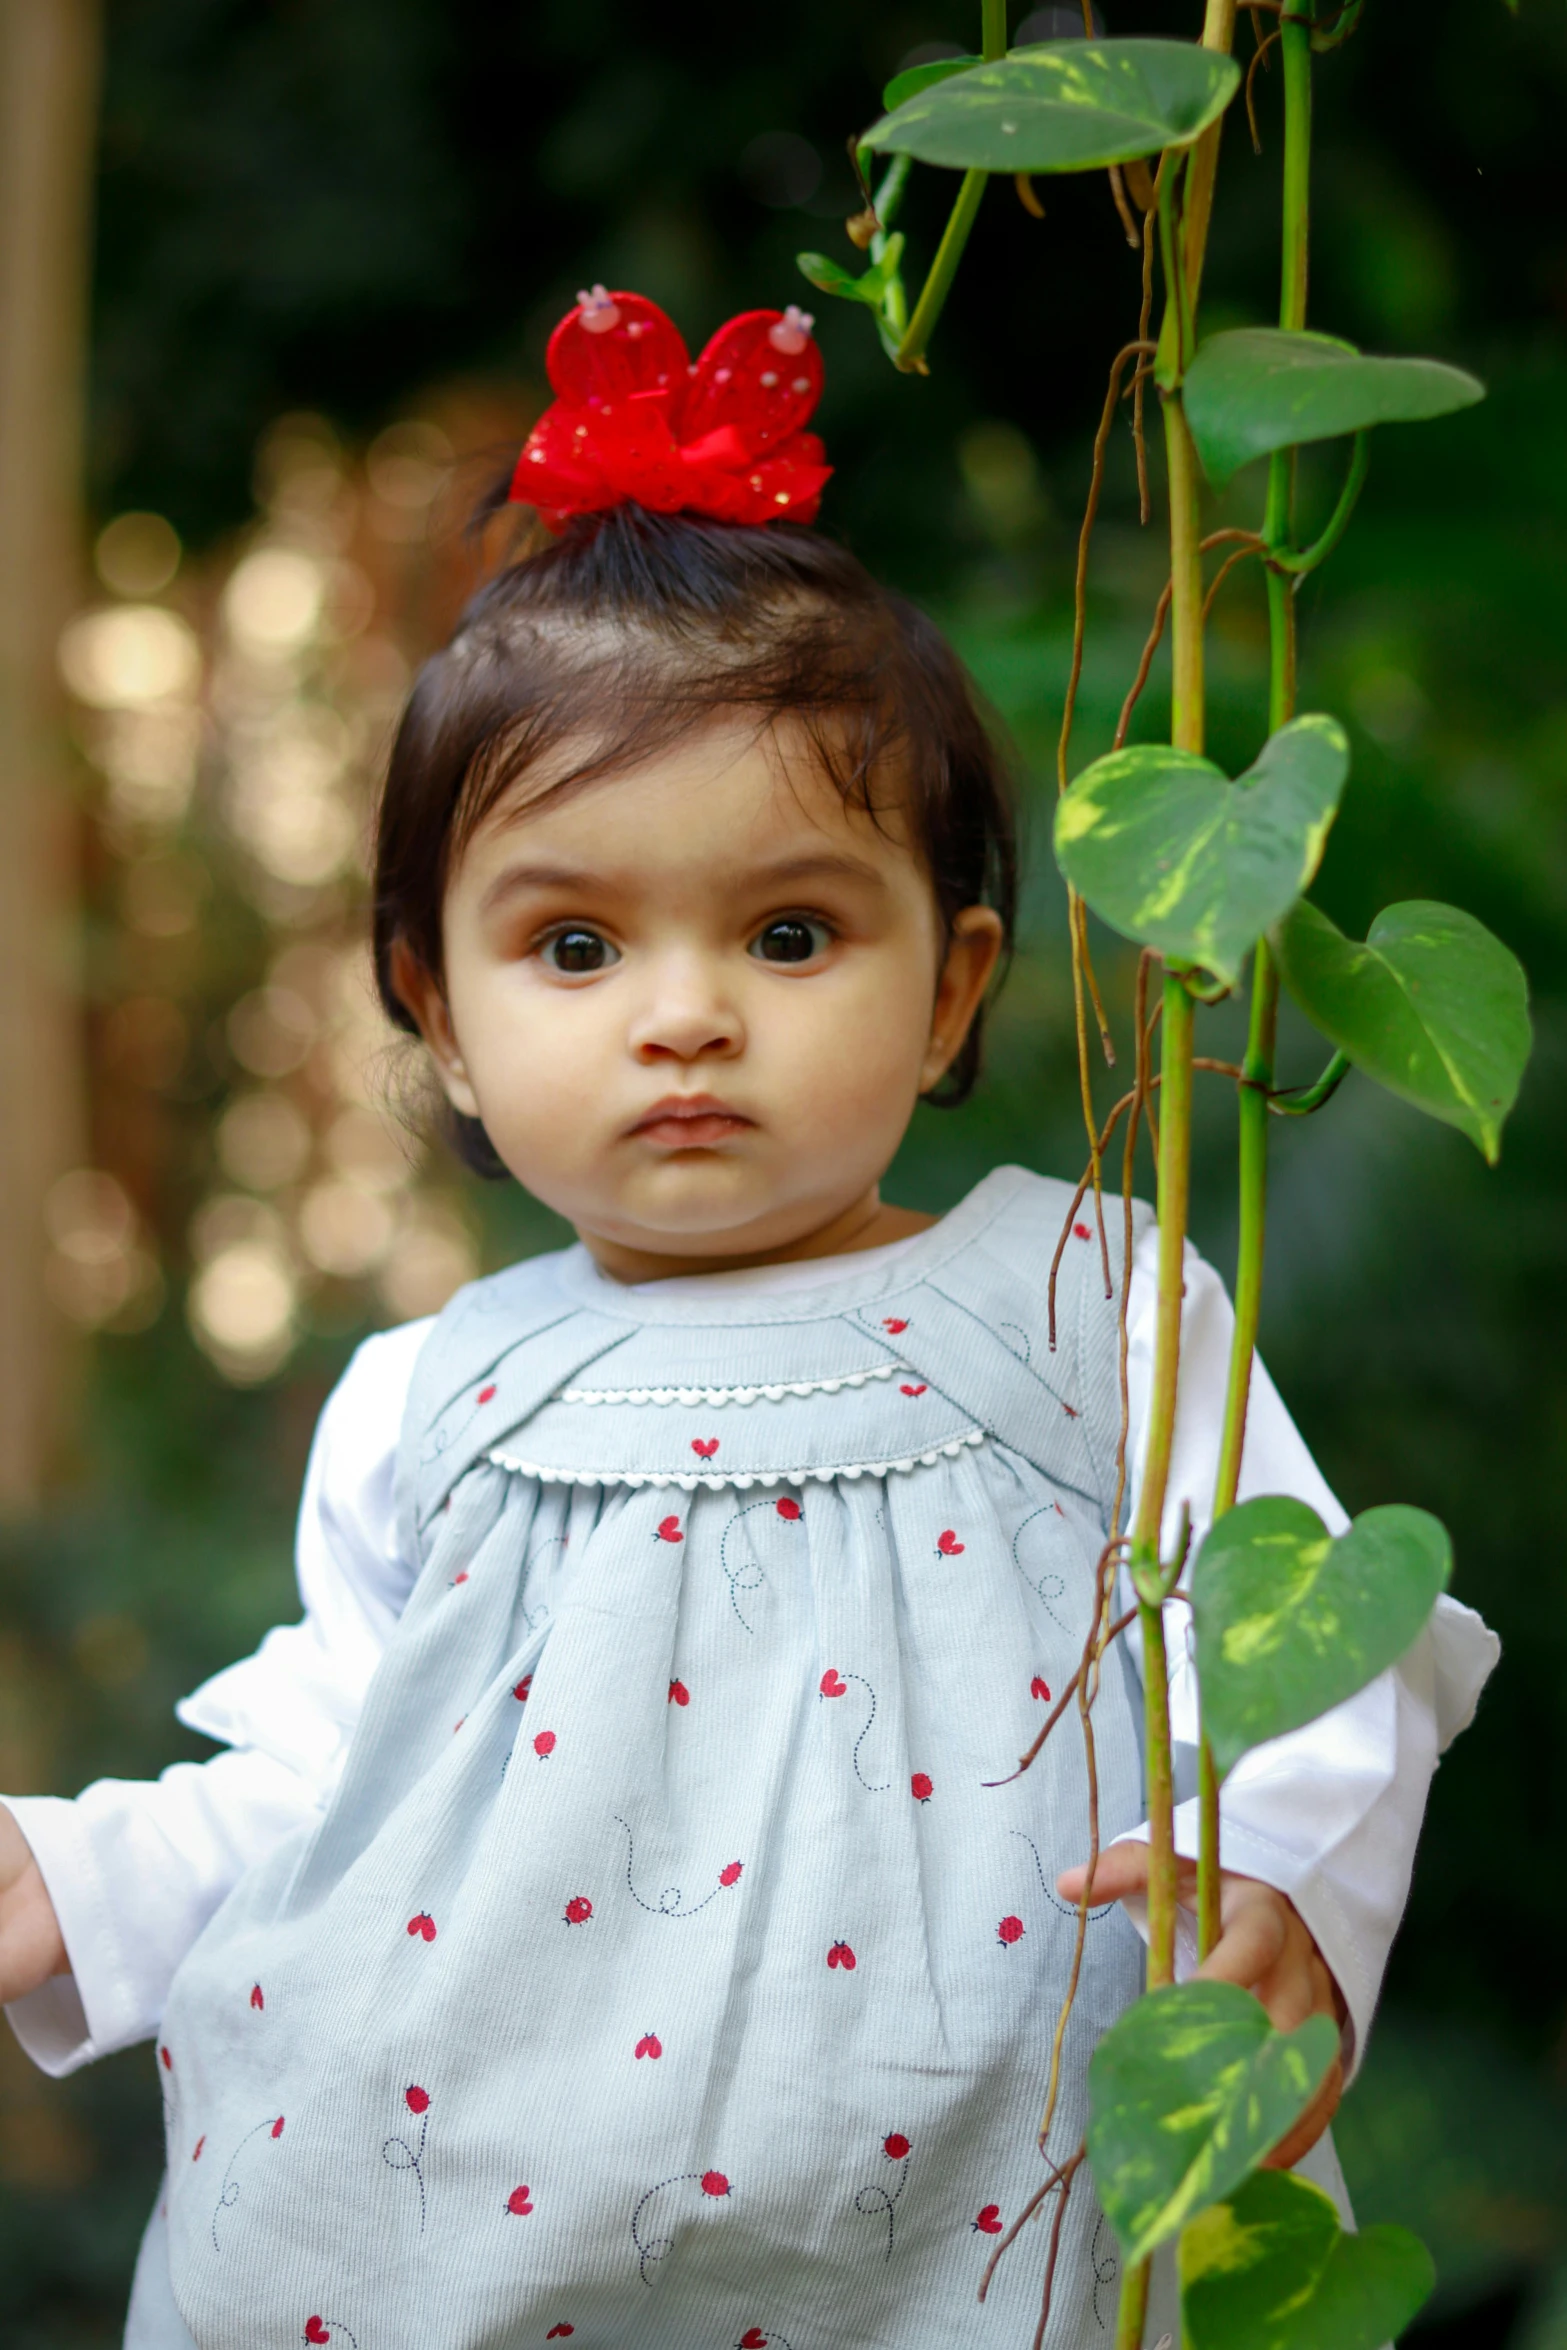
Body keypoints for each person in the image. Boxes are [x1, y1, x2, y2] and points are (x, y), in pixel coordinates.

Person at [0, 290, 1496, 2350]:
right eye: (576, 939)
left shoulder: (1081, 1302)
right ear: (434, 1002)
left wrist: (1284, 1882)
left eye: (792, 930)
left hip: (967, 2194)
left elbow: (1324, 1634)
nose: (683, 1009)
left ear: (955, 981)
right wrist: (67, 1880)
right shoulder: (437, 1395)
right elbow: (334, 1773)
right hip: (480, 2219)